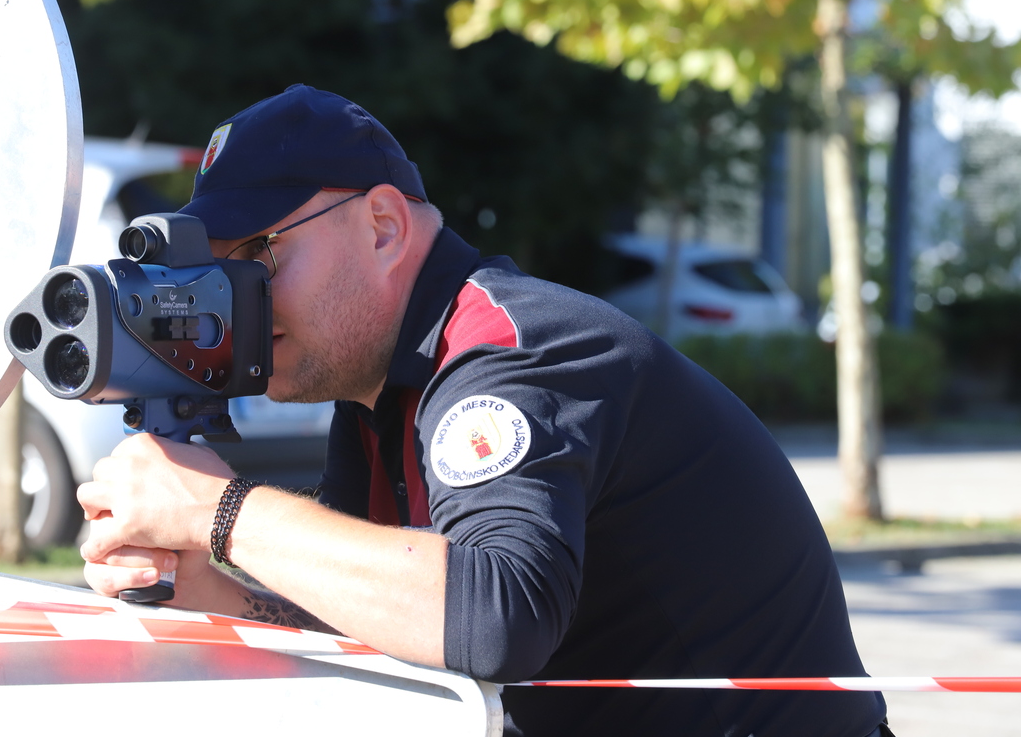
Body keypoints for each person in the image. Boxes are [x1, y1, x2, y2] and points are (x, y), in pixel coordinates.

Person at [77, 84, 891, 736]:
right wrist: (216, 593)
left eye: (259, 253)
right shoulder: (380, 390)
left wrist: (218, 511)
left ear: (383, 226)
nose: (239, 296)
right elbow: (388, 627)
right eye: (220, 268)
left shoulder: (514, 350)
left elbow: (497, 616)